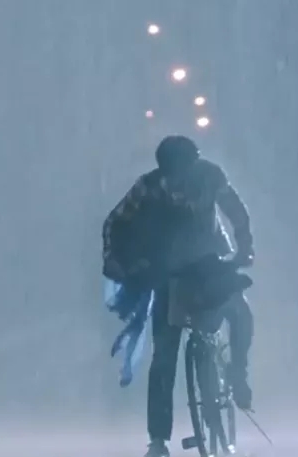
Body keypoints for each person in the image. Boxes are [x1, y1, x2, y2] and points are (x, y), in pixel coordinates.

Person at [102, 135, 255, 457]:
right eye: (175, 173)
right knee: (164, 355)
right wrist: (116, 259)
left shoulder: (211, 176)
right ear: (164, 169)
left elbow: (237, 214)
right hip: (167, 270)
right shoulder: (147, 187)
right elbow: (115, 222)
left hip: (211, 262)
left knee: (238, 310)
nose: (181, 180)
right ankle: (158, 440)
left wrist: (245, 249)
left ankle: (238, 372)